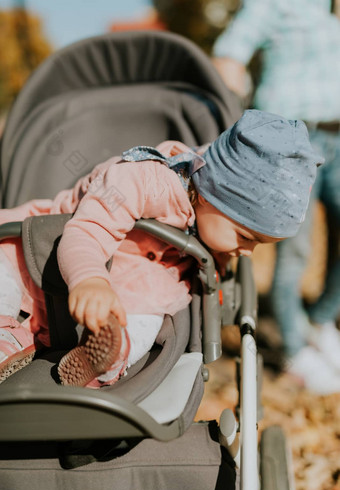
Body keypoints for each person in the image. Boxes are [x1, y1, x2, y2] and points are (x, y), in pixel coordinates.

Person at [0, 110, 322, 388]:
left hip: (130, 290)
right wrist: (89, 279)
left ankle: (108, 355)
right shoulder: (143, 180)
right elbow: (89, 230)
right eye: (245, 237)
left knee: (149, 319)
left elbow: (216, 257)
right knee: (4, 276)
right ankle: (7, 336)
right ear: (212, 195)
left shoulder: (215, 215)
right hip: (43, 259)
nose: (248, 252)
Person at [212, 0, 340, 394]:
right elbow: (229, 53)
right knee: (295, 248)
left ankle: (319, 321)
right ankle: (294, 348)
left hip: (338, 134)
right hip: (292, 138)